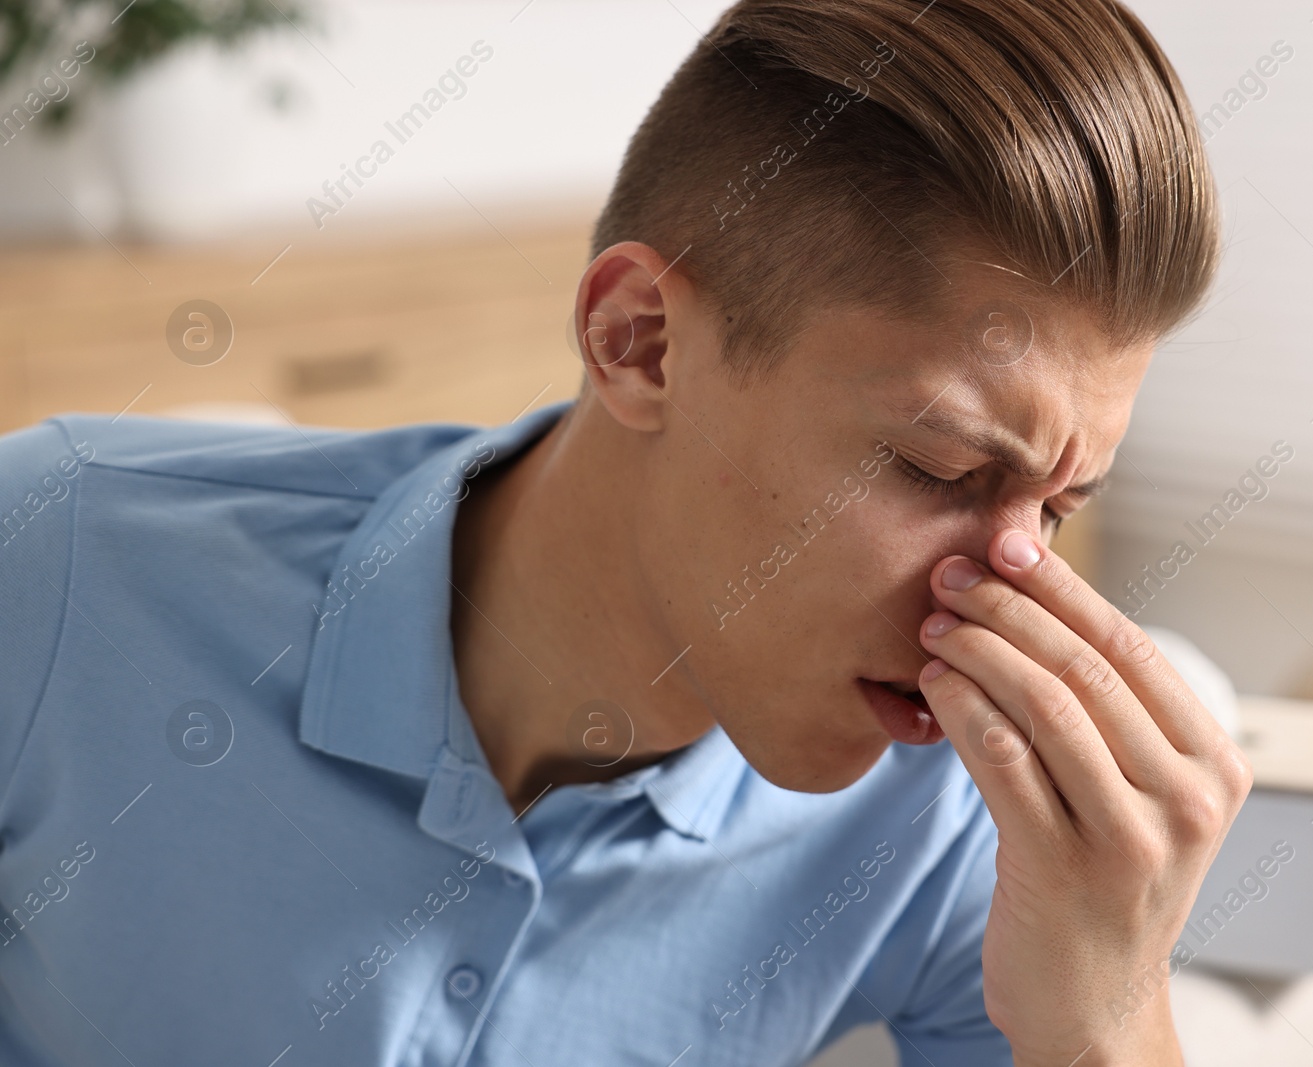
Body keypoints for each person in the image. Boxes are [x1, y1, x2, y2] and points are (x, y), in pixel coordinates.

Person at [0, 0, 1250, 1063]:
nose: (1004, 591)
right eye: (942, 467)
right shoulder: (57, 558)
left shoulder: (968, 826)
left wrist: (1105, 1015)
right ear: (639, 342)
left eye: (1058, 507)